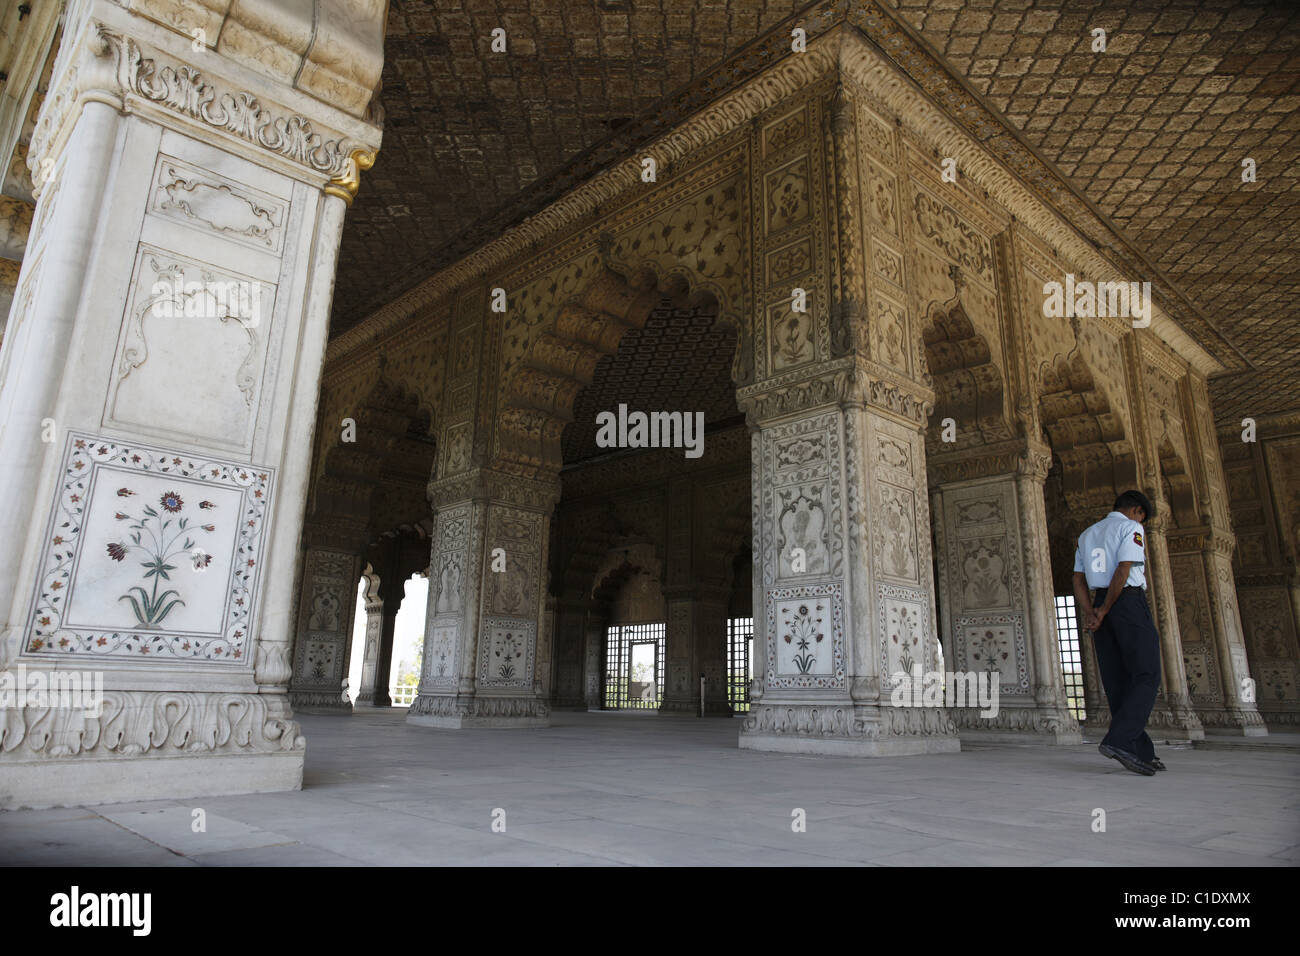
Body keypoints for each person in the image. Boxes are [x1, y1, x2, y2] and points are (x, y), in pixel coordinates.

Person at [1071, 490, 1165, 776]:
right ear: (1137, 511)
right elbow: (1124, 570)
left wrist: (1093, 611)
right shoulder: (1131, 528)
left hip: (1101, 601)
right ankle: (1119, 741)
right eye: (1143, 518)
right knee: (1147, 674)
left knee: (1118, 681)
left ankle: (1141, 751)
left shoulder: (1088, 534)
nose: (1142, 523)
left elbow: (1077, 578)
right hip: (1126, 602)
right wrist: (1108, 608)